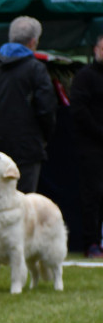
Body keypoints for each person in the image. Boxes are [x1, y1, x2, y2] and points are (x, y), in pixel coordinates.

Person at [0, 16, 57, 193]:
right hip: (27, 149)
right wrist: (45, 137)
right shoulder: (36, 69)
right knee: (24, 202)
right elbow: (46, 109)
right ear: (33, 42)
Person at [70, 33, 103, 258]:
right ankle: (91, 243)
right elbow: (79, 111)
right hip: (91, 146)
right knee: (93, 195)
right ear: (96, 49)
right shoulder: (85, 77)